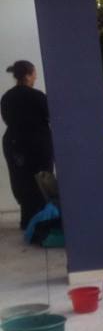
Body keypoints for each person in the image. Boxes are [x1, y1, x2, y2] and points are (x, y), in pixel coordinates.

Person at [1, 60, 52, 230]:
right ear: (29, 74)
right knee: (41, 178)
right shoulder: (37, 96)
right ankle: (42, 218)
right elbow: (49, 115)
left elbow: (7, 119)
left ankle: (27, 218)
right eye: (34, 73)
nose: (36, 77)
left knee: (20, 178)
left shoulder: (7, 97)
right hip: (38, 142)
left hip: (14, 142)